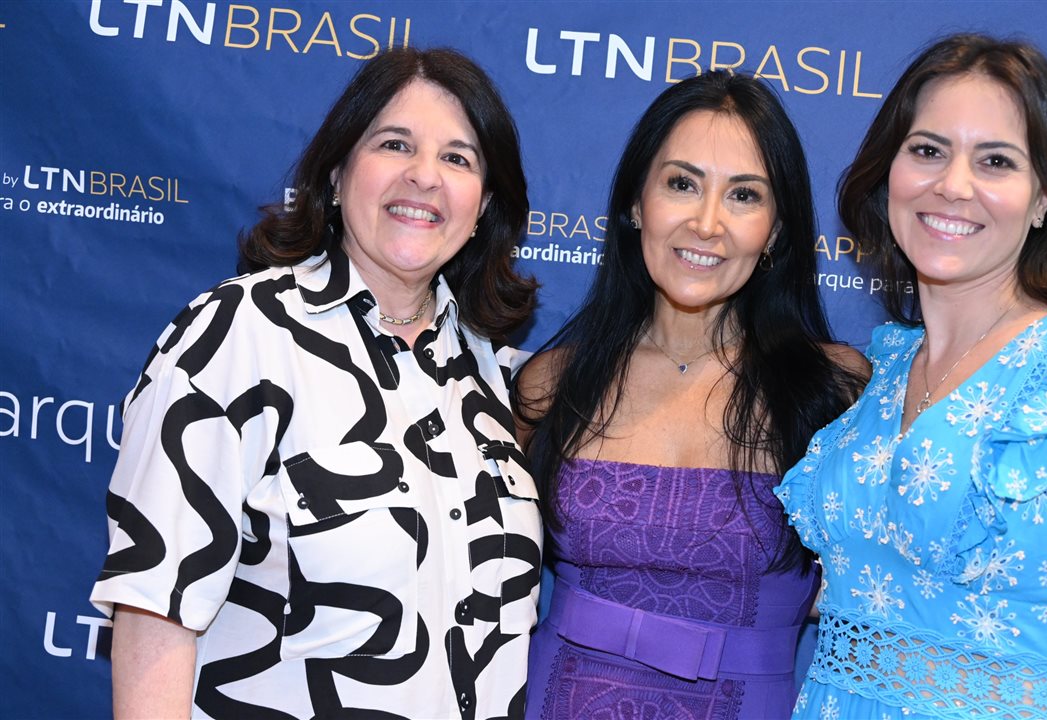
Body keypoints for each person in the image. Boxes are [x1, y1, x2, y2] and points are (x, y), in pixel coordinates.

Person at [90, 47, 542, 718]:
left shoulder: (487, 374)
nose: (424, 177)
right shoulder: (243, 333)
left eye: (458, 158)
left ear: (484, 206)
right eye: (395, 144)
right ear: (335, 174)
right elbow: (156, 612)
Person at [776, 33, 1047, 719]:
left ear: (1044, 199)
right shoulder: (882, 370)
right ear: (888, 172)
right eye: (927, 150)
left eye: (997, 161)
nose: (953, 184)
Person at [515, 71, 868, 720]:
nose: (707, 223)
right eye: (682, 184)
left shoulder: (836, 394)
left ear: (778, 230)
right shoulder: (549, 384)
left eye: (744, 195)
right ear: (634, 202)